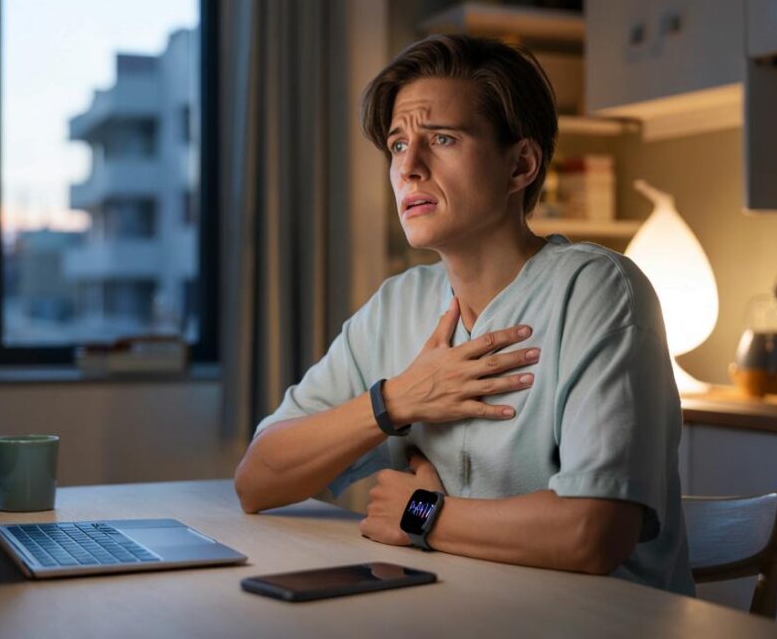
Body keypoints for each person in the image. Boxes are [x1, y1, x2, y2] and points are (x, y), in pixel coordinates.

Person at [232, 34, 694, 595]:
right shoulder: (396, 306)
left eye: (442, 139)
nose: (410, 167)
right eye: (398, 146)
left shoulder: (598, 289)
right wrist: (395, 400)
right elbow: (258, 479)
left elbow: (593, 533)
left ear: (520, 164)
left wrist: (422, 514)